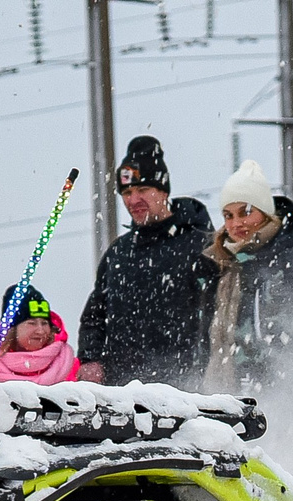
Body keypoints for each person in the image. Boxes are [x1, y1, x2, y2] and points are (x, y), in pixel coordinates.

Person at [76, 135, 218, 387]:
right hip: (122, 394)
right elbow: (94, 317)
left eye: (143, 190)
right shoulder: (119, 252)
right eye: (127, 192)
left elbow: (222, 312)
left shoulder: (201, 245)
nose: (133, 200)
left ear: (163, 191)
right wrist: (90, 359)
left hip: (185, 389)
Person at [200, 160, 293, 399]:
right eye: (228, 215)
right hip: (233, 412)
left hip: (292, 406)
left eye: (246, 212)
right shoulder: (226, 270)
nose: (236, 223)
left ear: (265, 213)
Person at [0, 283, 80, 384]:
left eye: (44, 323)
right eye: (32, 323)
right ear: (12, 330)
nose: (40, 331)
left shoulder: (69, 365)